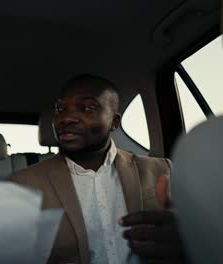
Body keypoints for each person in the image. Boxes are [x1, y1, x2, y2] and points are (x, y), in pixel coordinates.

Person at [12, 74, 185, 264]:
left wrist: (187, 241)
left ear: (114, 122)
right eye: (60, 109)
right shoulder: (23, 184)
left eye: (87, 108)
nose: (66, 118)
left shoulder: (161, 170)